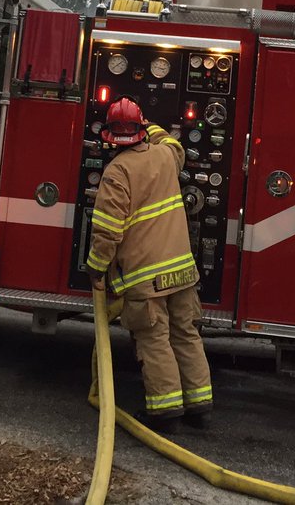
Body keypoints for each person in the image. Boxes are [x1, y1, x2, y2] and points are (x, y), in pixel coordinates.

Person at [85, 95, 213, 430]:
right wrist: (149, 123)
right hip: (183, 272)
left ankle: (165, 413)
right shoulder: (166, 156)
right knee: (185, 334)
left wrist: (96, 267)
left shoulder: (117, 172)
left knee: (154, 339)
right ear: (142, 129)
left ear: (110, 136)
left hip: (146, 277)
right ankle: (199, 407)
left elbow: (107, 231)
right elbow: (174, 143)